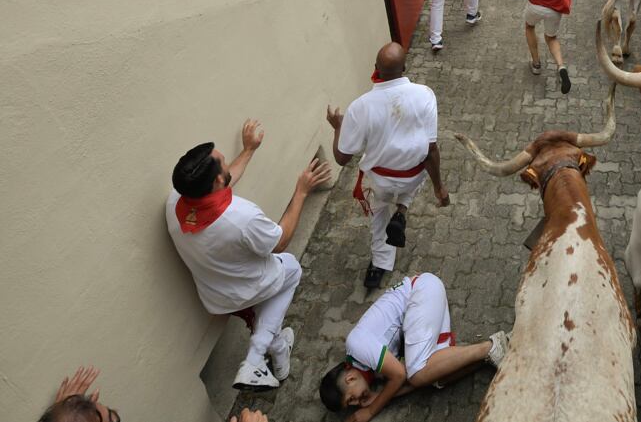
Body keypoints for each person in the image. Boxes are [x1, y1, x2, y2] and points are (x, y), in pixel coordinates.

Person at [166, 120, 331, 389]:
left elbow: (224, 179)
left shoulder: (176, 201)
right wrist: (301, 192)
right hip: (250, 288)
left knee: (267, 316)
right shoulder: (241, 218)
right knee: (290, 268)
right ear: (218, 179)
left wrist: (249, 150)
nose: (226, 162)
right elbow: (281, 241)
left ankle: (278, 354)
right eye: (222, 161)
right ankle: (255, 357)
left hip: (216, 295)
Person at [326, 43, 450, 289]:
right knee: (412, 182)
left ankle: (380, 265)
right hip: (414, 174)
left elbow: (342, 158)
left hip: (380, 180)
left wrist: (338, 125)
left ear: (376, 69)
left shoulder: (360, 107)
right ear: (405, 68)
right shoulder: (425, 94)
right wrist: (439, 188)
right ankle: (402, 210)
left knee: (379, 214)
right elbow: (431, 150)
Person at [319, 274, 509, 420]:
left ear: (350, 378)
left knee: (417, 372)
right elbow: (409, 382)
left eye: (351, 399)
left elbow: (401, 375)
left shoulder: (356, 345)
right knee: (435, 378)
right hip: (424, 307)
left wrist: (371, 409)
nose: (357, 403)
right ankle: (491, 355)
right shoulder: (372, 371)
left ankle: (491, 346)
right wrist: (381, 395)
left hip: (422, 291)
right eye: (353, 405)